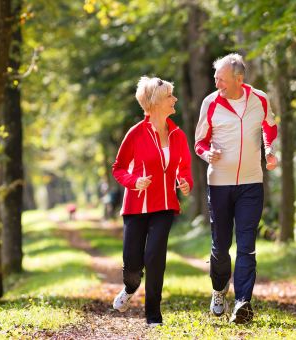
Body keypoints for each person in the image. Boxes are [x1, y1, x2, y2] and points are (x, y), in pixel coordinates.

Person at [195, 53, 278, 324]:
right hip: (219, 184)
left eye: (221, 78)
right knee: (221, 247)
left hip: (251, 184)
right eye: (215, 77)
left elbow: (270, 126)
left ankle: (243, 302)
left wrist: (270, 151)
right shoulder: (210, 103)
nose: (216, 82)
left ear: (238, 79)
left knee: (247, 245)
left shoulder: (260, 99)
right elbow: (199, 142)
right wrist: (208, 154)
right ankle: (219, 290)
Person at [111, 76, 193, 327]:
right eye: (170, 95)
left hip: (165, 205)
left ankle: (153, 316)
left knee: (155, 257)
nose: (175, 99)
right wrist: (134, 181)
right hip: (136, 206)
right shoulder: (135, 133)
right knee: (133, 265)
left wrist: (184, 181)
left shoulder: (177, 134)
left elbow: (184, 167)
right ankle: (129, 287)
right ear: (156, 102)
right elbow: (118, 168)